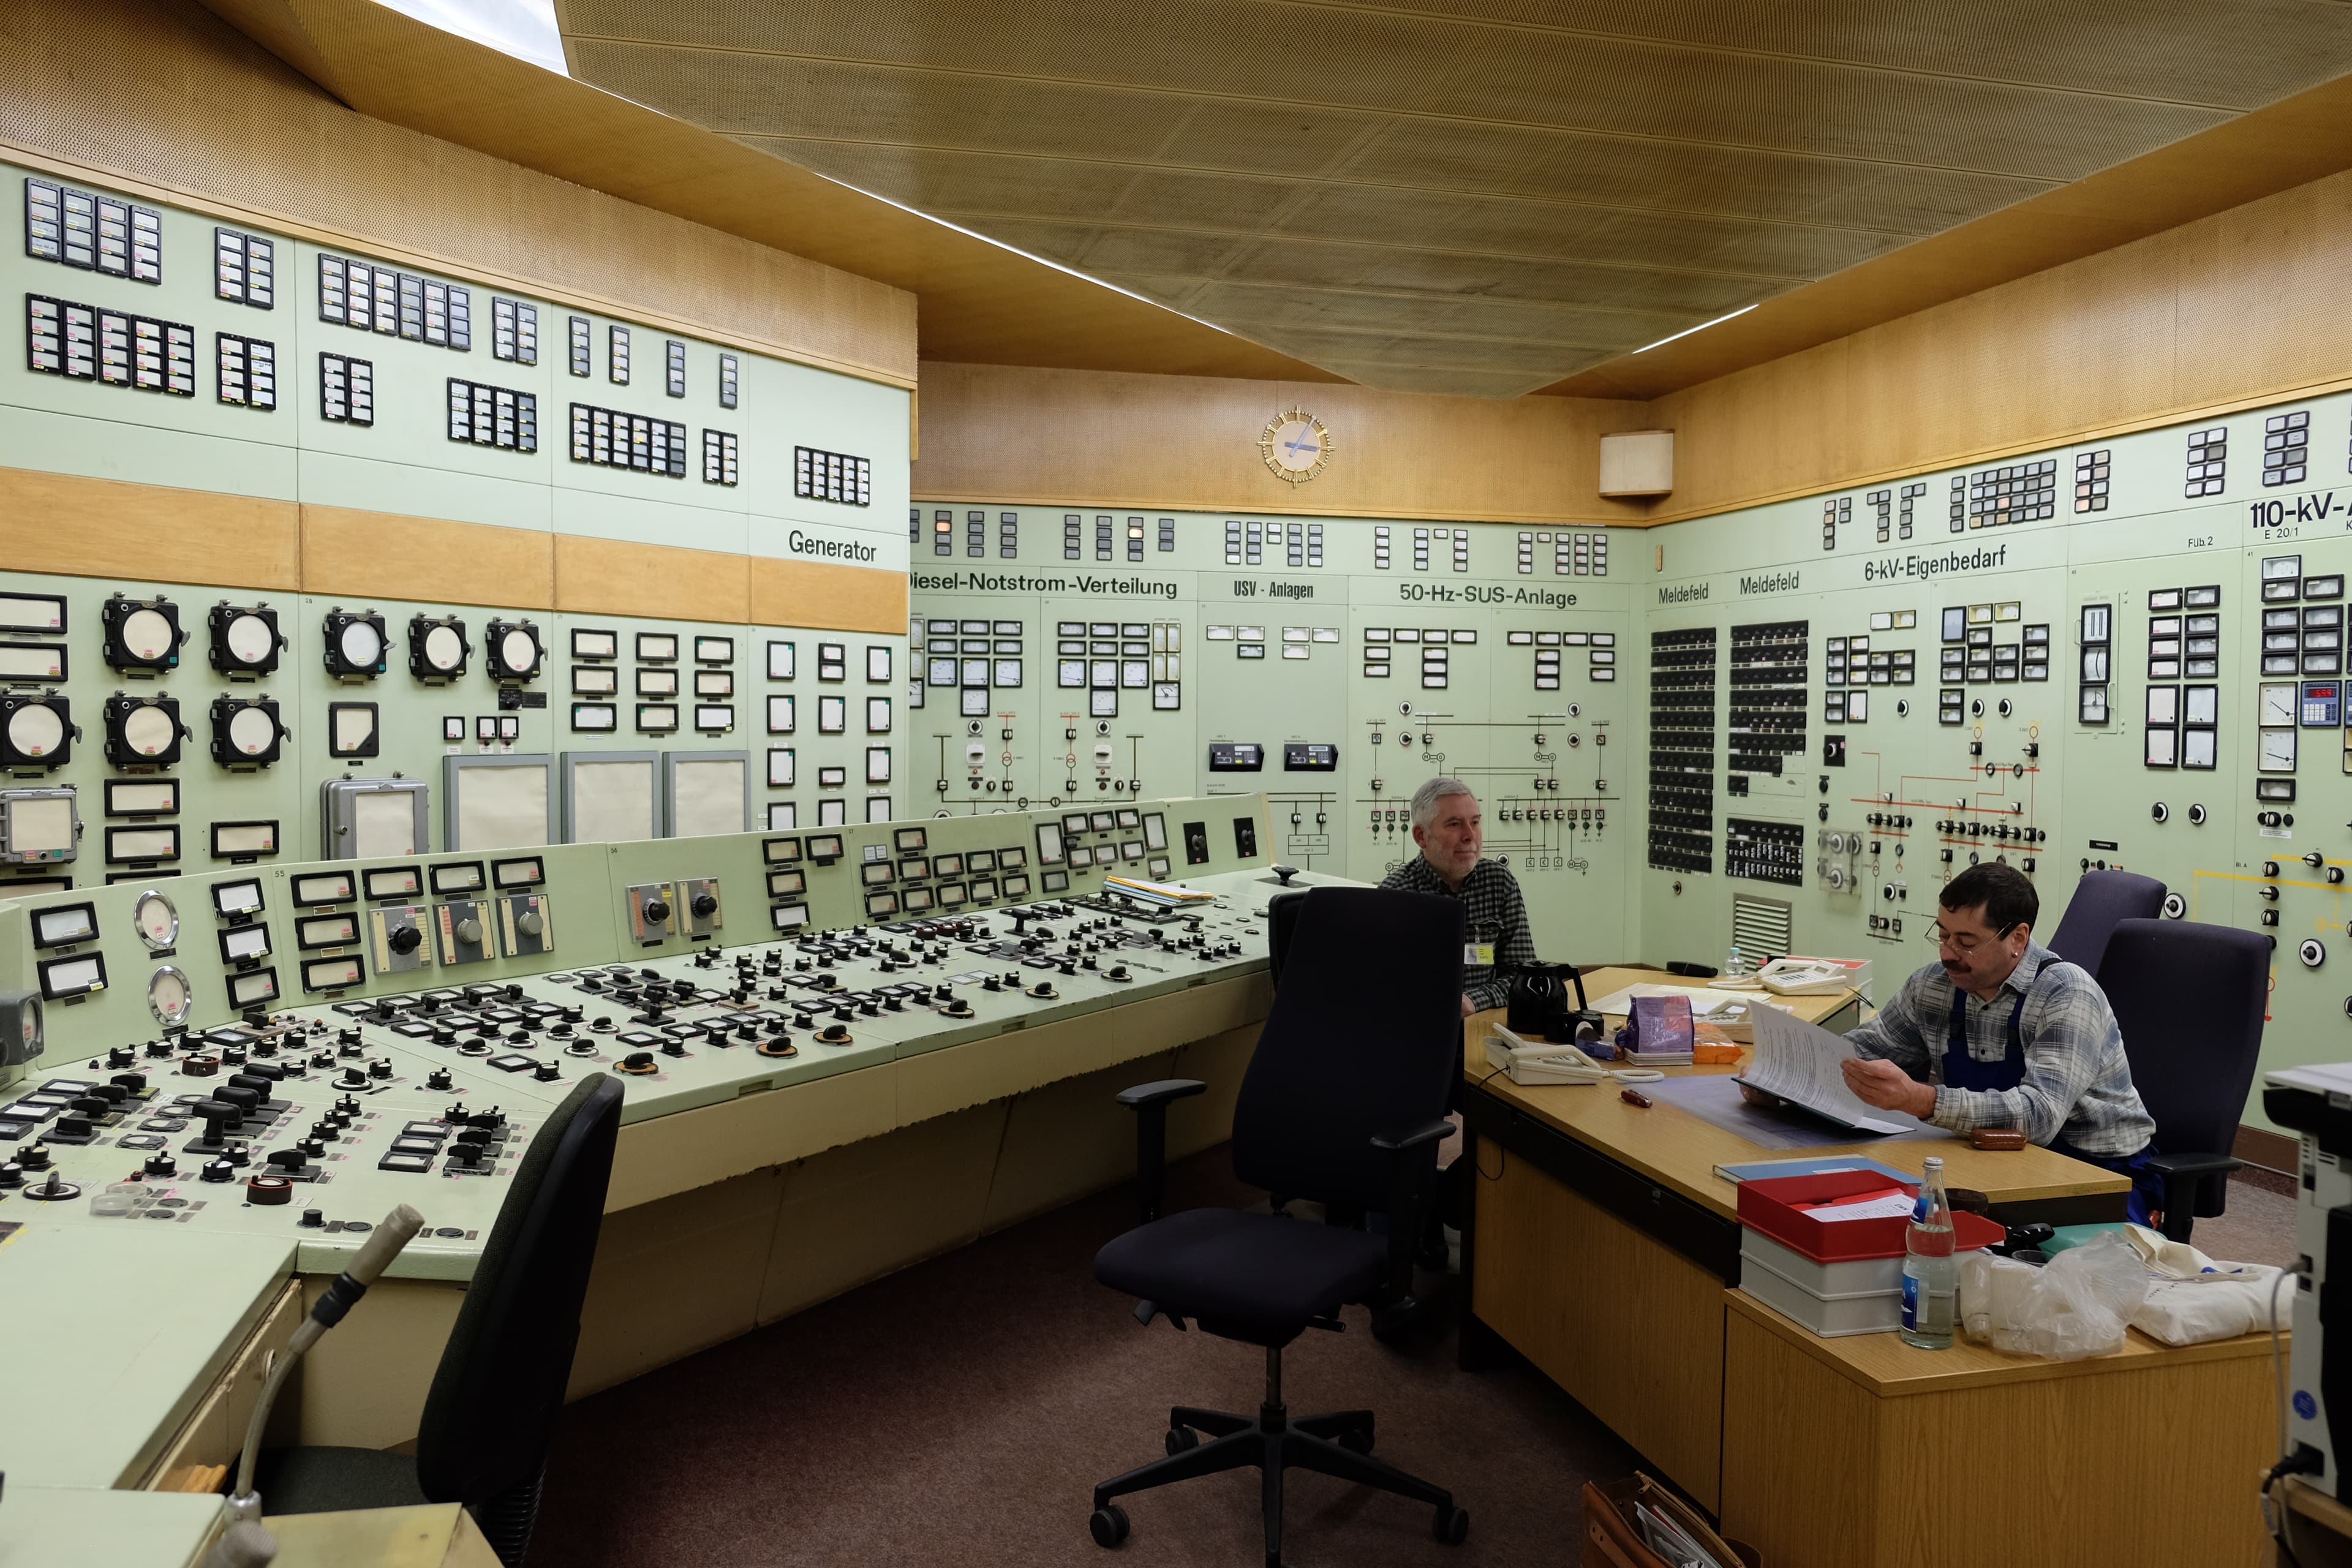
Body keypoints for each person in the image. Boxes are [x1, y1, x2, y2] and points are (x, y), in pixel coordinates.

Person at [1748, 861, 2162, 1222]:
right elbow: (1861, 1054)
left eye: (1966, 943)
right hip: (1985, 1158)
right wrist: (1783, 1080)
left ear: (2018, 939)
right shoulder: (1934, 986)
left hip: (2097, 1175)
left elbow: (2038, 1117)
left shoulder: (2066, 994)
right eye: (1943, 935)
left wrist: (1923, 1100)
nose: (1948, 954)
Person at [1379, 777, 1537, 1019]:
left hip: (1483, 1025)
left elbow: (1523, 975)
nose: (1470, 835)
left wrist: (1474, 1000)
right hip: (1417, 1026)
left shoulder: (1499, 882)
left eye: (1475, 822)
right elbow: (1382, 986)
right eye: (1455, 824)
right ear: (1421, 836)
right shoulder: (1395, 894)